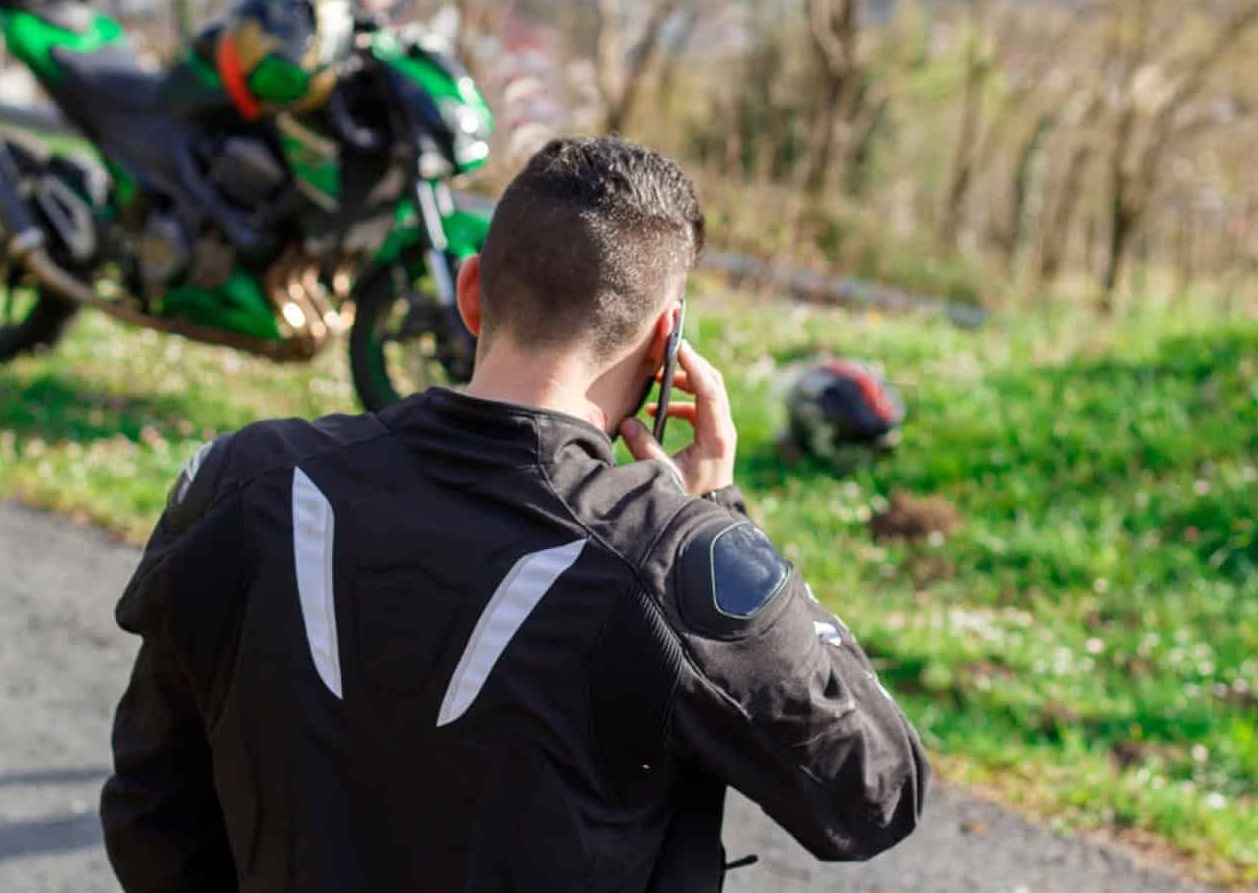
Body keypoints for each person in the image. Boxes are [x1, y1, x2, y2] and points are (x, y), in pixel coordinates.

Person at [100, 137, 929, 891]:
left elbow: (150, 802)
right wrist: (724, 513)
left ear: (470, 293)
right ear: (665, 343)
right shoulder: (674, 558)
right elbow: (876, 794)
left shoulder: (243, 482)